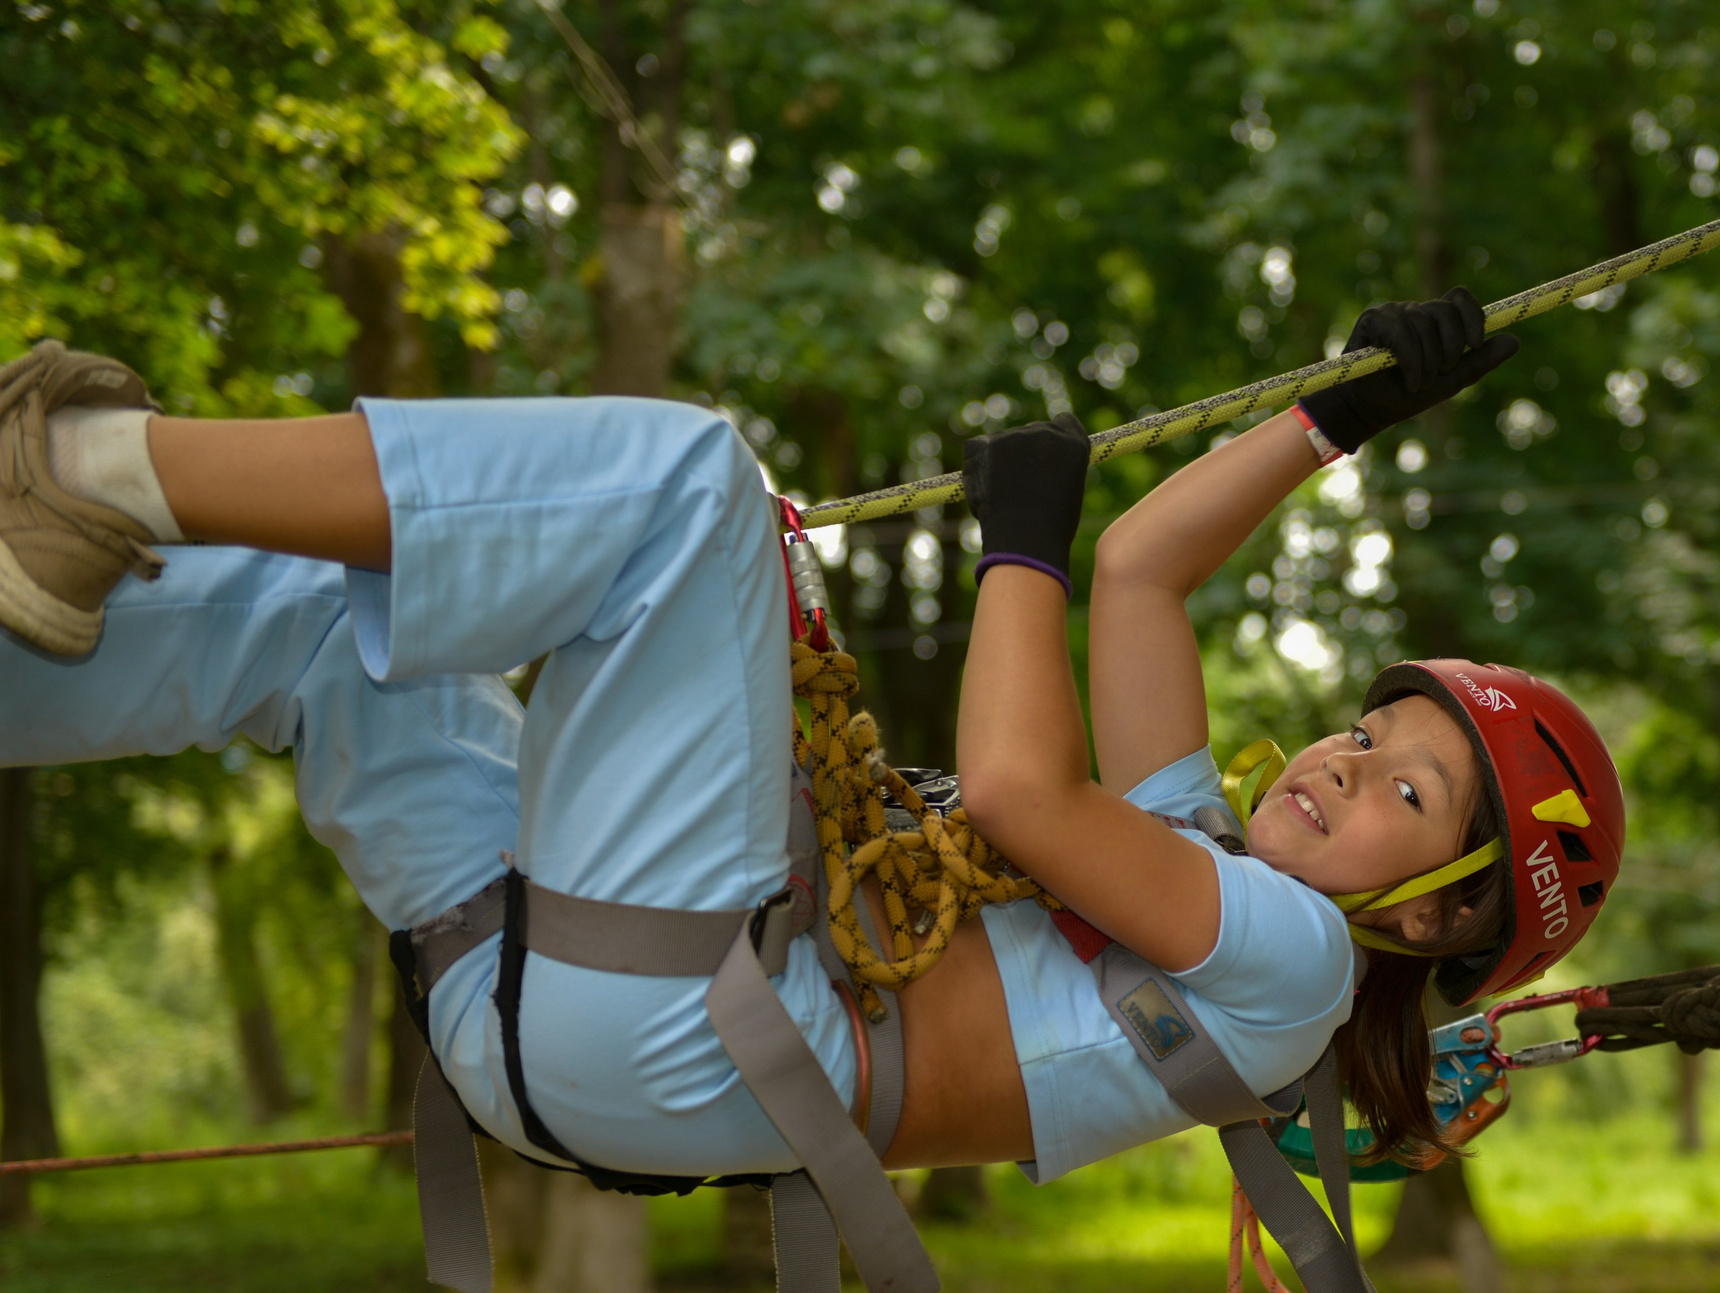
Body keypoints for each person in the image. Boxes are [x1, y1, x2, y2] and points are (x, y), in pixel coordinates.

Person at [0, 285, 1622, 1194]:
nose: (1342, 763)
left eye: (1408, 789)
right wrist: (1332, 417)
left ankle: (91, 466)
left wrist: (1014, 557)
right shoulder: (1199, 858)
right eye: (1365, 729)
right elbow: (1145, 570)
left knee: (688, 493)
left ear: (1429, 916)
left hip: (681, 1030)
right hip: (566, 998)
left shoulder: (1293, 967)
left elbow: (1013, 787)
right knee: (321, 620)